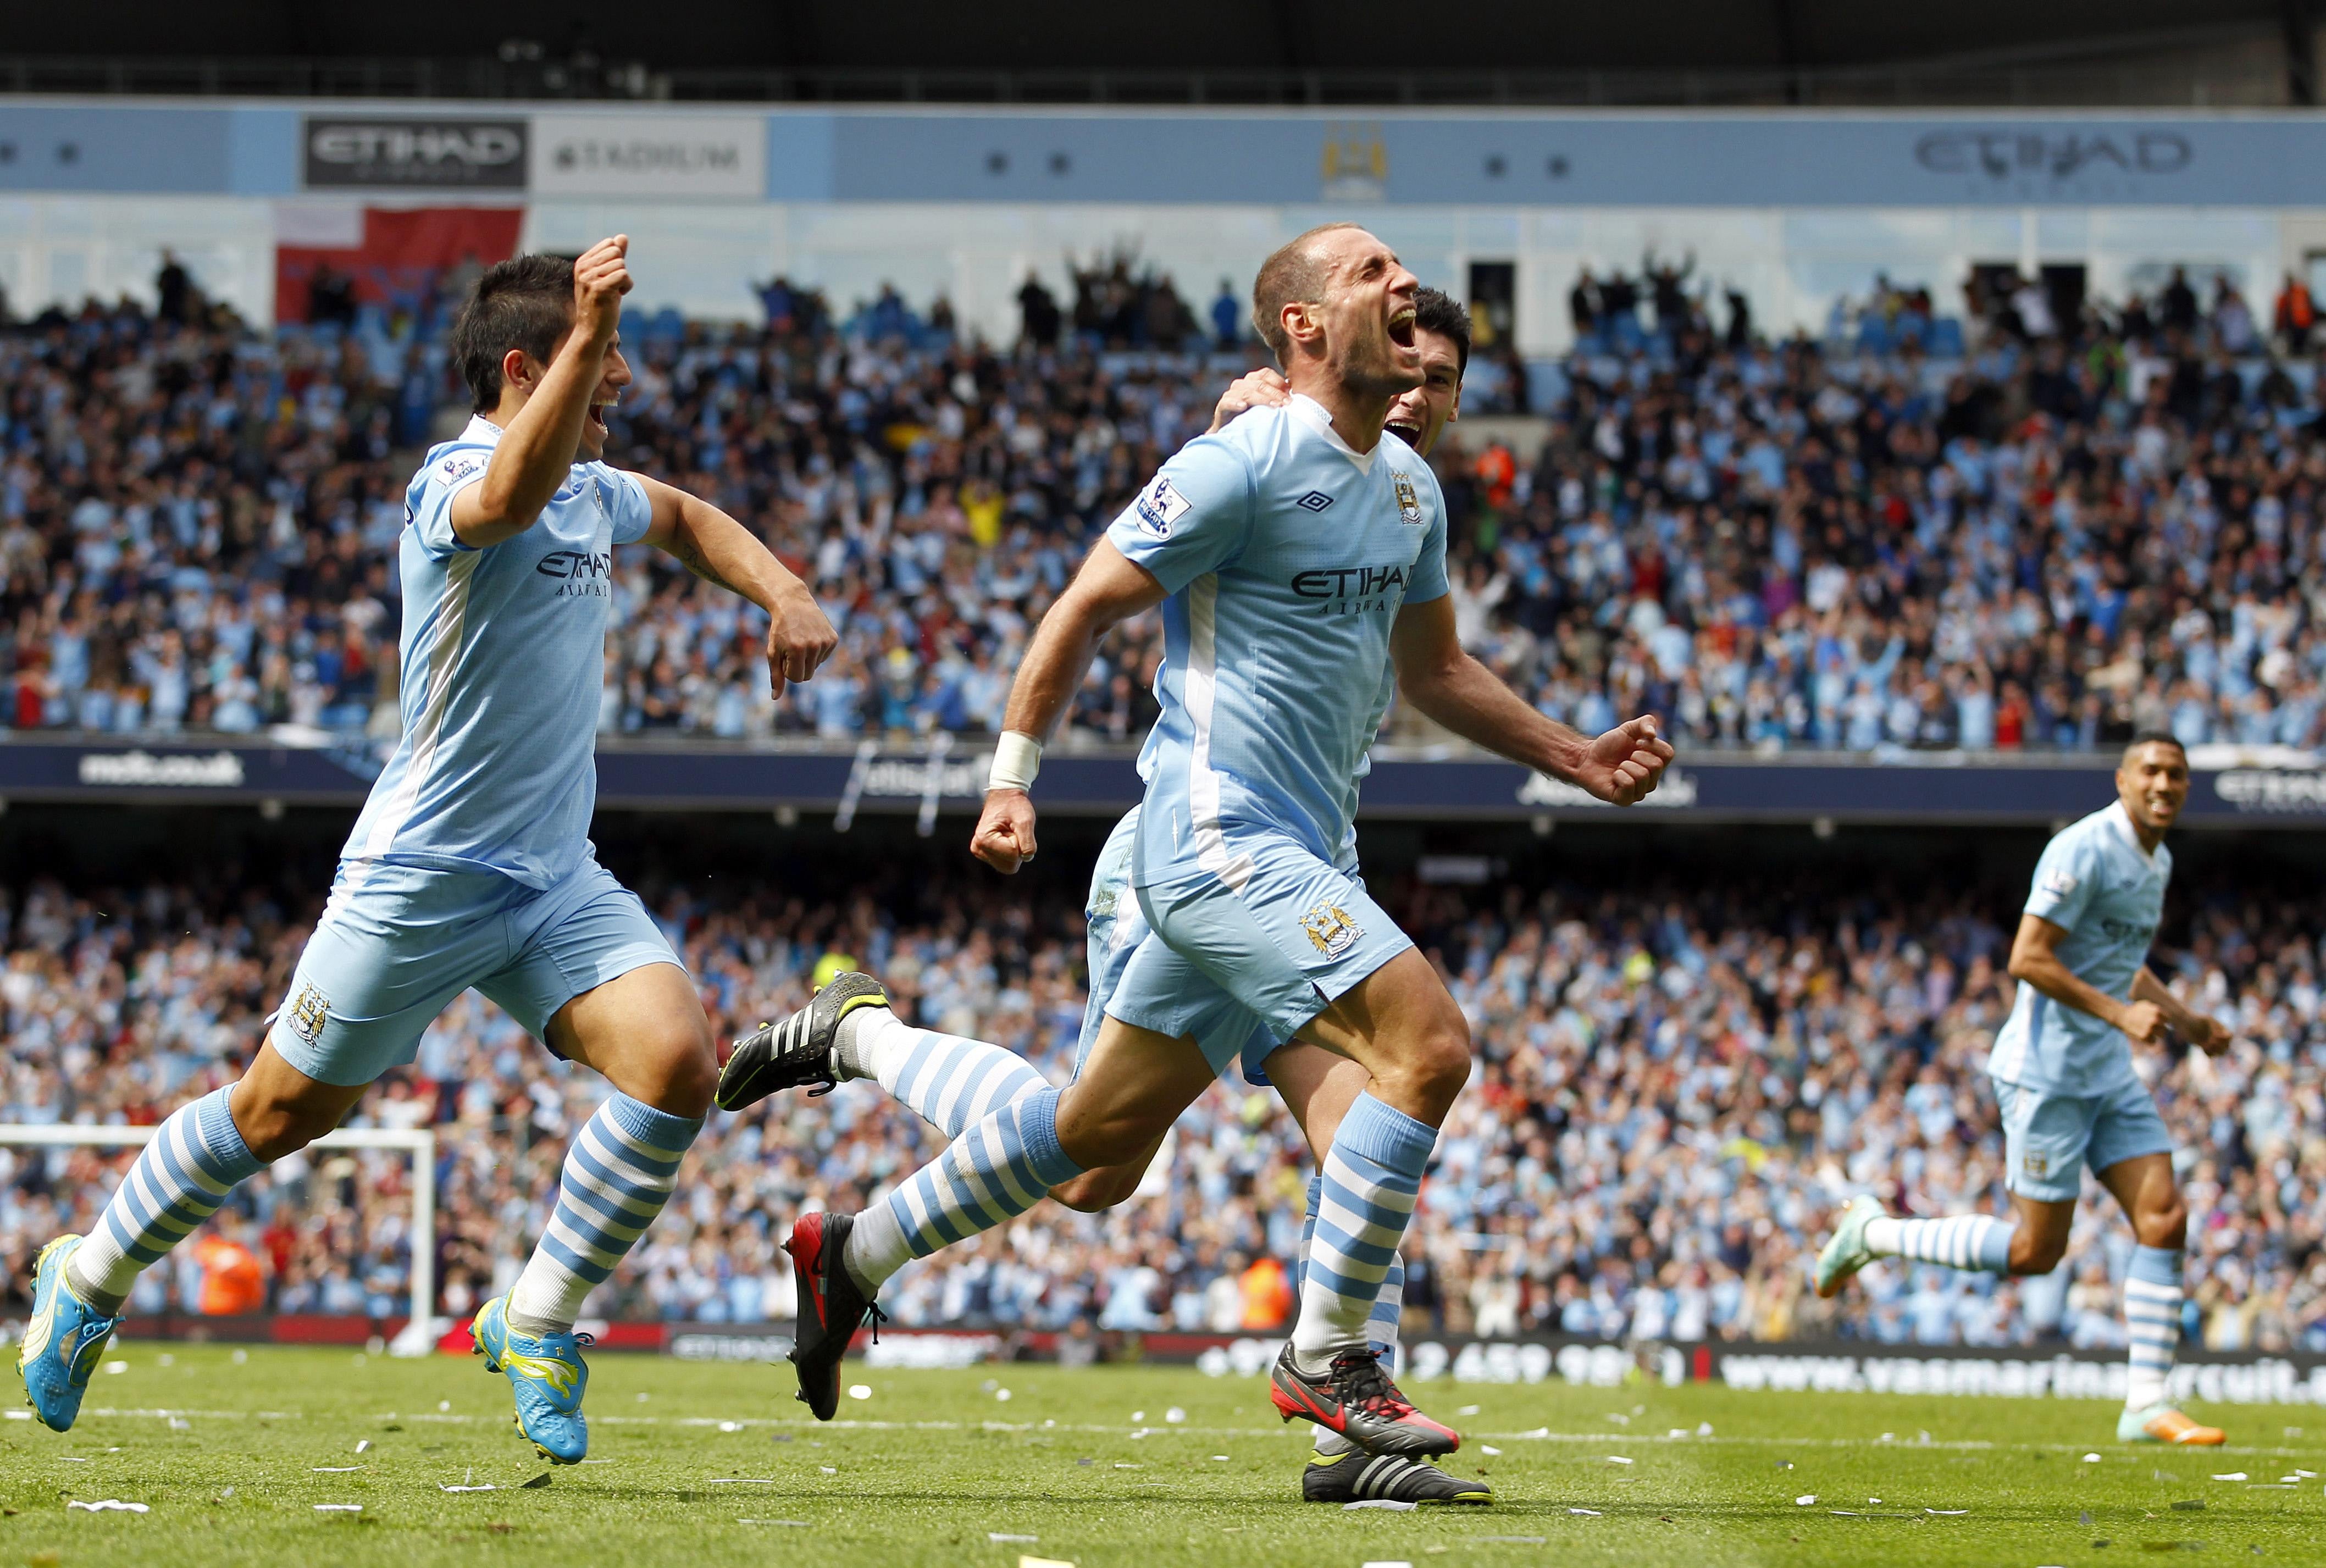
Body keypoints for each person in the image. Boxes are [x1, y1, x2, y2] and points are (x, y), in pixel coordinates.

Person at [731, 224, 1668, 1460]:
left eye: (1443, 369)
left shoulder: (1407, 493)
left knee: (1090, 1156)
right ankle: (1336, 1375)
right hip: (1211, 841)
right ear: (1304, 329)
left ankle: (855, 1164)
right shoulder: (1243, 458)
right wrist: (1010, 781)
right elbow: (1082, 603)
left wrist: (1572, 755)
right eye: (1378, 284)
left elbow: (1433, 667)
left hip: (1303, 856)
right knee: (1424, 1051)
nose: (1424, 362)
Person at [15, 238, 838, 1463]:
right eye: (604, 357)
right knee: (276, 1112)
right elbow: (502, 503)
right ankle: (83, 1277)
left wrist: (782, 589)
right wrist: (585, 331)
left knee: (676, 1063)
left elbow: (681, 516)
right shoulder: (448, 482)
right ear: (528, 366)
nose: (626, 379)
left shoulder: (594, 488)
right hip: (422, 874)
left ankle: (536, 1316)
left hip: (555, 877)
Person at [1815, 734, 2230, 1447]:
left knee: (2164, 1217)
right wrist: (2120, 1015)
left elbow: (2120, 965)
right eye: (2152, 771)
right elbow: (2027, 957)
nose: (2165, 783)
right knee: (2036, 1253)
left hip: (2106, 1072)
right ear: (2124, 779)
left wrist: (2188, 1021)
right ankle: (1873, 1232)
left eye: (2178, 774)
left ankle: (2147, 1402)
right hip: (2045, 1074)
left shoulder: (2155, 859)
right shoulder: (2082, 847)